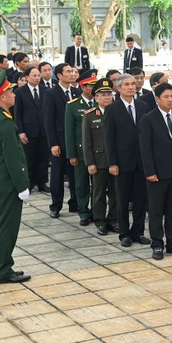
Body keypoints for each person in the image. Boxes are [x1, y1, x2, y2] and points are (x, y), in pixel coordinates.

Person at [0, 72, 31, 284]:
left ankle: (1, 264)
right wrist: (22, 185)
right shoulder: (3, 122)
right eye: (11, 92)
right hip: (7, 183)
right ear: (2, 96)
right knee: (6, 228)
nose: (14, 95)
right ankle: (2, 270)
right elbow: (12, 158)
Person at [139, 82, 172, 260]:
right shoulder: (148, 118)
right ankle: (157, 244)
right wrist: (149, 171)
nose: (170, 100)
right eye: (166, 97)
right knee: (156, 210)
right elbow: (145, 149)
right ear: (157, 99)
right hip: (157, 173)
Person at [105, 73, 150, 247]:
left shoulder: (143, 106)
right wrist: (112, 163)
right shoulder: (112, 109)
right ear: (118, 88)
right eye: (127, 84)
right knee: (122, 199)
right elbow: (109, 138)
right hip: (122, 161)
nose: (131, 87)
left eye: (133, 84)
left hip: (141, 161)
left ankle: (138, 231)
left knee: (141, 198)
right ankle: (124, 233)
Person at [43, 63, 81, 218]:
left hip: (75, 142)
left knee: (75, 174)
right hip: (59, 140)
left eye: (72, 71)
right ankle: (56, 205)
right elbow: (48, 120)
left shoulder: (77, 92)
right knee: (58, 176)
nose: (72, 74)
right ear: (59, 75)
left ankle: (75, 203)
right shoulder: (51, 93)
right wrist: (53, 143)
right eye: (68, 72)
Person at [83, 78, 118, 236]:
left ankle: (113, 219)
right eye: (103, 94)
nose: (107, 97)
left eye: (109, 94)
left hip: (116, 161)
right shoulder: (90, 115)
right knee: (98, 193)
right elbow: (87, 141)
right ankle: (100, 221)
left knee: (116, 192)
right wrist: (90, 162)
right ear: (96, 98)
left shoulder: (117, 112)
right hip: (99, 161)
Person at [65, 70, 97, 227]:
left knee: (98, 185)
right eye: (92, 85)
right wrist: (72, 154)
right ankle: (84, 212)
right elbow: (69, 132)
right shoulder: (73, 106)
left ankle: (97, 211)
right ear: (83, 87)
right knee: (81, 183)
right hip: (80, 151)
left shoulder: (100, 103)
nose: (95, 88)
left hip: (98, 152)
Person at [13, 66, 49, 192]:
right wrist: (21, 131)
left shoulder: (45, 90)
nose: (37, 78)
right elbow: (18, 113)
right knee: (29, 158)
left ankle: (42, 182)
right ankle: (29, 182)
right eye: (34, 76)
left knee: (43, 157)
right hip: (28, 130)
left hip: (43, 130)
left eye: (38, 75)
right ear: (27, 77)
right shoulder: (20, 92)